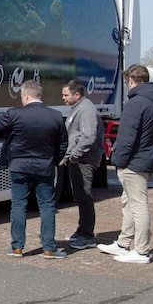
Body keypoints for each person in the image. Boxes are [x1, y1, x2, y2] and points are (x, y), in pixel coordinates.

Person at [0, 79, 69, 258]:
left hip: (19, 166)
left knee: (18, 206)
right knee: (47, 207)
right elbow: (62, 145)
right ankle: (49, 248)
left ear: (25, 96)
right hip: (44, 167)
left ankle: (17, 247)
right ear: (40, 95)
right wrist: (54, 161)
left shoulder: (14, 114)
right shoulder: (56, 116)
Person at [98, 64, 153, 264]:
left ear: (130, 80)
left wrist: (117, 161)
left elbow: (127, 136)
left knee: (137, 205)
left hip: (133, 162)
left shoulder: (135, 103)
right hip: (146, 159)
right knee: (129, 203)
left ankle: (142, 251)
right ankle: (123, 243)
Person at [60, 79, 105, 249]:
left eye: (66, 95)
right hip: (78, 159)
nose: (63, 98)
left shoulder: (86, 110)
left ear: (76, 95)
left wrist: (75, 155)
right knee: (79, 195)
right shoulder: (79, 108)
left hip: (84, 160)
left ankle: (87, 236)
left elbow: (88, 136)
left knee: (84, 196)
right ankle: (81, 230)